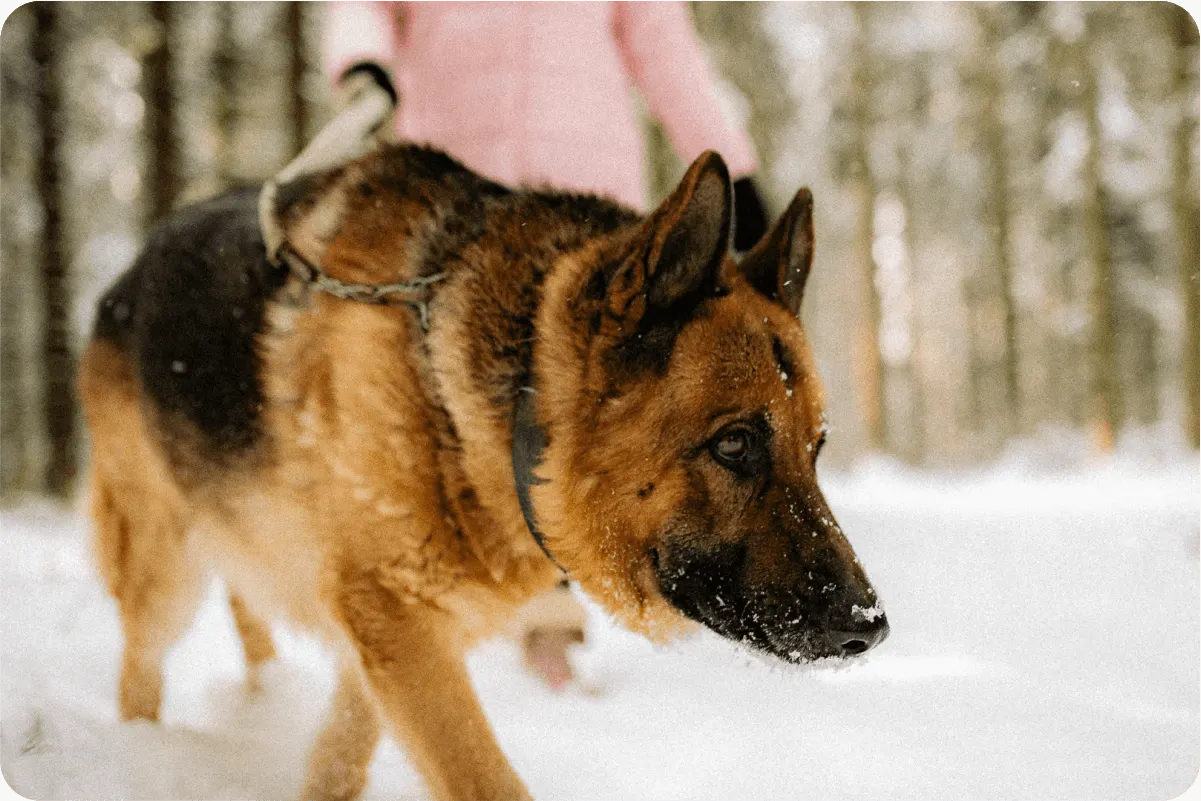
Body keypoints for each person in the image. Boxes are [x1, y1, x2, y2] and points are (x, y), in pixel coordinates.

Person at [321, 0, 770, 689]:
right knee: (443, 401)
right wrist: (363, 65)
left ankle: (548, 624)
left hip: (582, 192)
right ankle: (441, 592)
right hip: (457, 187)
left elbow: (663, 50)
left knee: (566, 405)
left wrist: (729, 163)